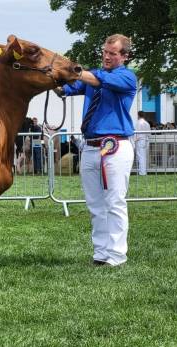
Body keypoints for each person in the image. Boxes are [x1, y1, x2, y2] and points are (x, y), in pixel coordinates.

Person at [55, 34, 137, 267]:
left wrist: (77, 71)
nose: (107, 56)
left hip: (115, 146)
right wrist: (56, 80)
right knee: (95, 204)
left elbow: (96, 79)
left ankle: (117, 255)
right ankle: (101, 253)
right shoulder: (92, 78)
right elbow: (69, 88)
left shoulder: (127, 77)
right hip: (90, 146)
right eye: (105, 51)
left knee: (114, 201)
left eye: (113, 53)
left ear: (124, 56)